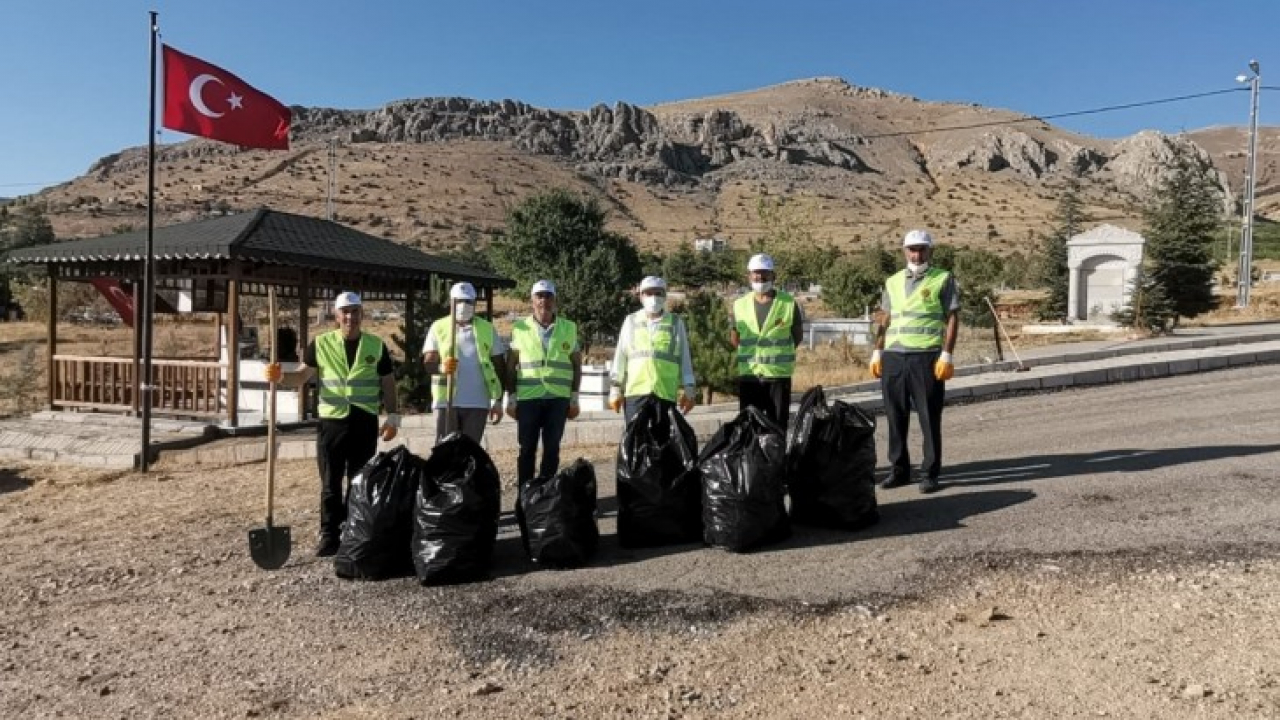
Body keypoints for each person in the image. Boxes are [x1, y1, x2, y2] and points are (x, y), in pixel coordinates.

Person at [265, 291, 399, 556]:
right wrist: (279, 377)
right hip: (332, 423)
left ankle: (353, 529)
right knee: (330, 482)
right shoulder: (322, 344)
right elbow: (302, 377)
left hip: (364, 421)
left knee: (359, 480)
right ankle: (329, 535)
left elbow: (388, 382)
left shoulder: (376, 345)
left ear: (362, 314)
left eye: (355, 312)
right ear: (336, 315)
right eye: (345, 312)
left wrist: (393, 416)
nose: (350, 317)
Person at [869, 229, 961, 494]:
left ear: (930, 251)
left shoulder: (942, 279)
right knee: (895, 416)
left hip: (926, 357)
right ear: (904, 251)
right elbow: (885, 319)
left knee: (929, 417)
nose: (916, 254)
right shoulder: (892, 281)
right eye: (912, 249)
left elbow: (952, 317)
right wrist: (877, 350)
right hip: (895, 357)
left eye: (921, 249)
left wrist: (947, 353)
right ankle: (899, 470)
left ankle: (930, 473)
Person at [506, 279, 582, 486]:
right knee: (527, 449)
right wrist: (511, 398)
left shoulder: (569, 327)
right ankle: (525, 493)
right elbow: (510, 366)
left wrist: (574, 398)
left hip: (558, 399)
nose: (544, 301)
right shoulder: (520, 328)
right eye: (539, 296)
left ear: (554, 300)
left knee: (552, 448)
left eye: (548, 296)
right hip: (529, 399)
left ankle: (546, 493)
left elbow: (576, 365)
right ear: (532, 300)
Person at [422, 282, 506, 444]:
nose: (463, 306)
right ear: (451, 302)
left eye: (468, 302)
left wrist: (497, 400)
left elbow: (499, 365)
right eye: (459, 301)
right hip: (446, 402)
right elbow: (428, 363)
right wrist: (441, 367)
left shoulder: (487, 329)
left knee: (470, 453)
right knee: (445, 451)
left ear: (474, 303)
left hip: (478, 402)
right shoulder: (438, 327)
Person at [730, 253, 804, 433]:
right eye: (756, 273)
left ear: (773, 275)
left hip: (777, 377)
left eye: (765, 273)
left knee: (777, 427)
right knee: (748, 428)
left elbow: (797, 336)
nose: (760, 277)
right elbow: (734, 338)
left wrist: (776, 355)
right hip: (750, 376)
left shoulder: (788, 303)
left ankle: (776, 461)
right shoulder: (739, 305)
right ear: (749, 276)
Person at [609, 276, 696, 424]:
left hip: (664, 394)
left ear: (665, 296)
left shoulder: (675, 323)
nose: (653, 297)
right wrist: (615, 389)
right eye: (649, 293)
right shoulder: (630, 321)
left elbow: (684, 358)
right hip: (636, 394)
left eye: (658, 293)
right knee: (634, 443)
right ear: (641, 296)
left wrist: (689, 389)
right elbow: (620, 357)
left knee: (662, 444)